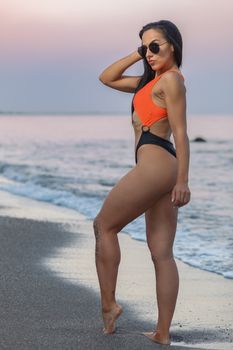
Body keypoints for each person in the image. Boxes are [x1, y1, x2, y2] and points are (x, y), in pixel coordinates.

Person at [93, 19, 191, 346]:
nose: (149, 53)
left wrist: (183, 181)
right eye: (144, 46)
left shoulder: (172, 81)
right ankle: (162, 333)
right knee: (161, 252)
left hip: (158, 164)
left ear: (173, 45)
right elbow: (106, 77)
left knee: (104, 226)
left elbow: (181, 133)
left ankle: (109, 305)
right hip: (160, 166)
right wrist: (139, 53)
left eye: (155, 46)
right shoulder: (149, 84)